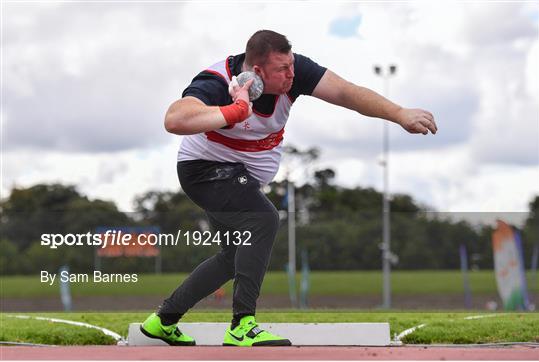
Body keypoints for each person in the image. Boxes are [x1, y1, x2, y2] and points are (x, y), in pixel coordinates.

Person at [140, 30, 437, 347]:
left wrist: (399, 114)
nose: (291, 75)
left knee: (233, 258)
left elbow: (347, 93)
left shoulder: (295, 72)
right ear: (257, 72)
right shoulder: (217, 81)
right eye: (282, 70)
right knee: (263, 219)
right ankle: (243, 325)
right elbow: (174, 119)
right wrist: (233, 110)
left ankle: (163, 321)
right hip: (204, 171)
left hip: (238, 177)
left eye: (291, 66)